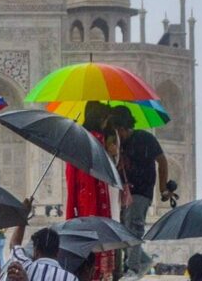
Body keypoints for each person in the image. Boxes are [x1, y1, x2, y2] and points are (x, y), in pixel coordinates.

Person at [111, 113, 169, 277]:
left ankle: (132, 269)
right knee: (121, 231)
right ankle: (143, 261)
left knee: (134, 228)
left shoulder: (145, 138)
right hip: (123, 193)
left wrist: (163, 188)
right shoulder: (118, 144)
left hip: (141, 192)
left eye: (116, 130)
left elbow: (162, 161)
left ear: (122, 128)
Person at [65, 103, 114, 281]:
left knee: (84, 239)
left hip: (82, 196)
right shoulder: (97, 139)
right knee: (98, 238)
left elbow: (71, 174)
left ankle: (85, 272)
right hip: (95, 196)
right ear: (100, 118)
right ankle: (96, 274)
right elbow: (107, 171)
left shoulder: (77, 138)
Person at [5, 221, 79, 281]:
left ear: (36, 251)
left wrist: (22, 218)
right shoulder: (71, 278)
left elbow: (14, 245)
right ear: (58, 252)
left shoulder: (24, 267)